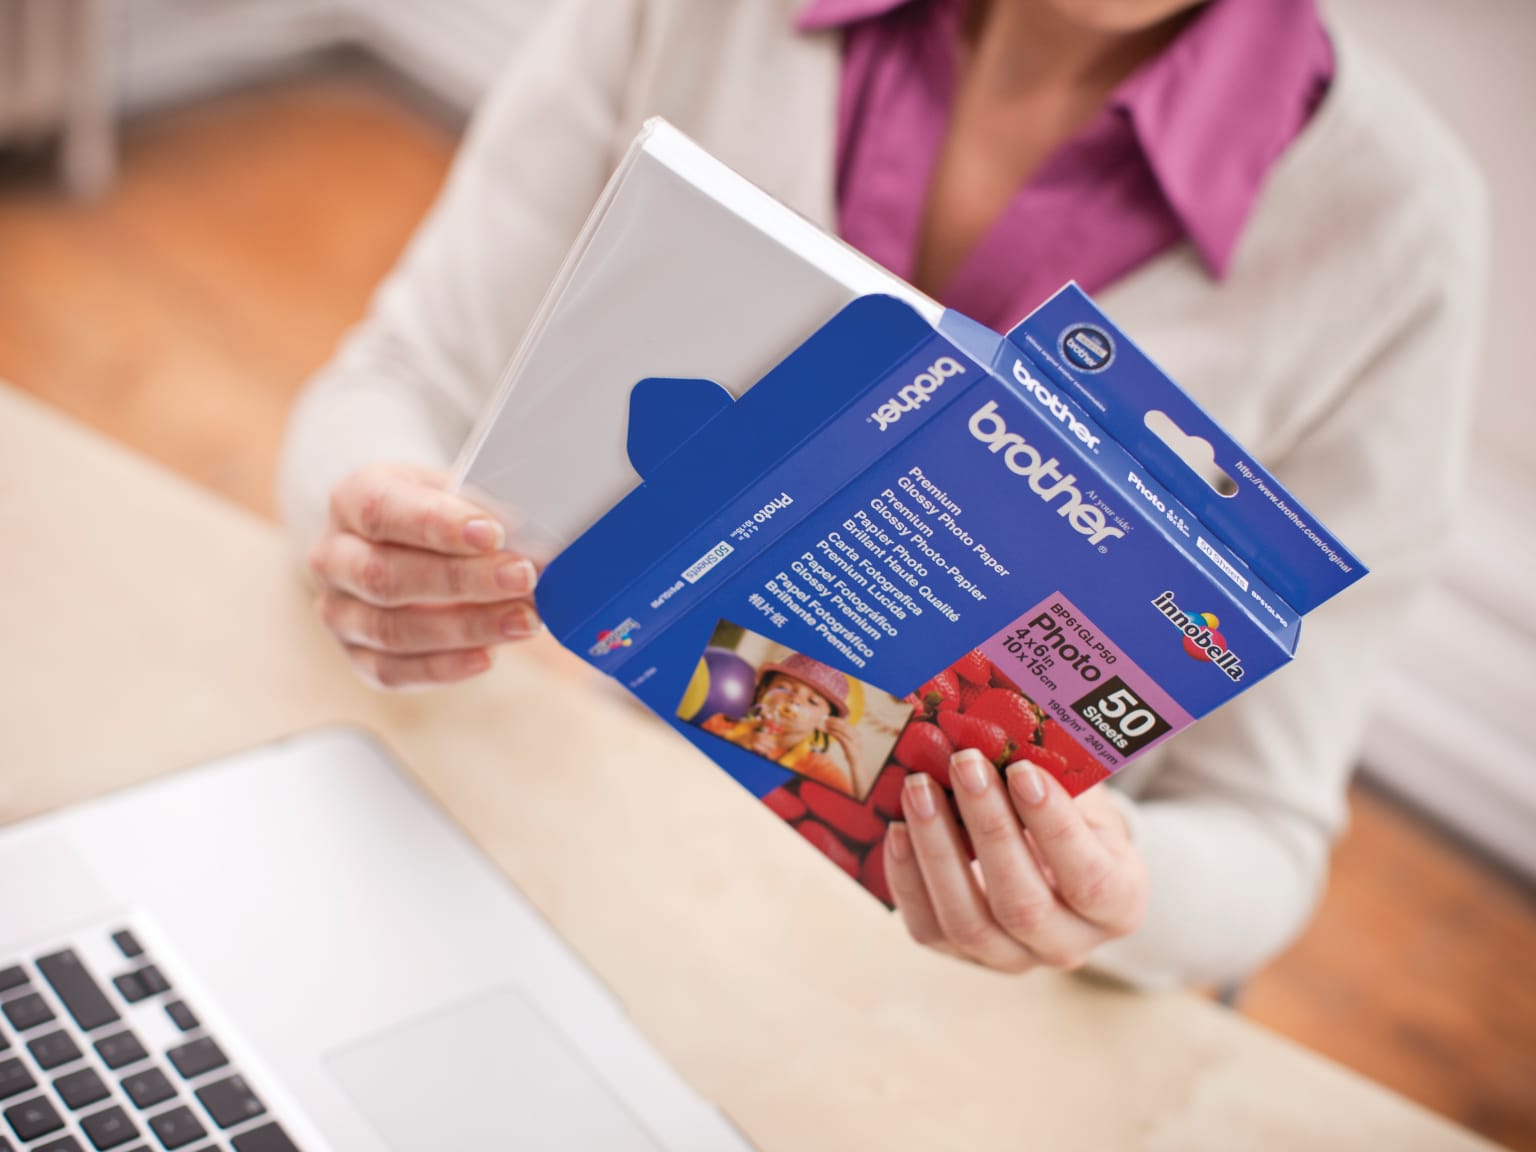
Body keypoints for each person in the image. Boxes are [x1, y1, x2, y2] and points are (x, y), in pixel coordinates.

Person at [279, 0, 1486, 988]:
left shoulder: (1399, 233)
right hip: (552, 815)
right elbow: (395, 383)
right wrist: (376, 532)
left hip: (918, 995)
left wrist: (1111, 895)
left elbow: (1261, 837)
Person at [699, 653, 866, 794]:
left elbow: (860, 821)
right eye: (784, 687)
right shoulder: (720, 724)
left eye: (813, 701)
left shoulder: (822, 770)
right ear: (763, 693)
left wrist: (856, 762)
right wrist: (735, 745)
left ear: (823, 722)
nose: (795, 700)